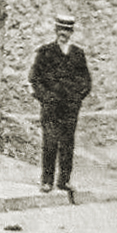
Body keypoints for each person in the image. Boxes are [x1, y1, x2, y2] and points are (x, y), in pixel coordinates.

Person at [30, 13, 92, 200]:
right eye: (60, 30)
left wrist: (77, 99)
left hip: (70, 108)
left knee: (67, 143)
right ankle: (47, 180)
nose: (63, 33)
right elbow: (35, 79)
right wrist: (46, 98)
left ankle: (64, 180)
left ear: (71, 32)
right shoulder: (45, 52)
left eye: (67, 30)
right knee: (50, 142)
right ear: (56, 30)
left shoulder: (78, 54)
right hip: (51, 106)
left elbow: (86, 81)